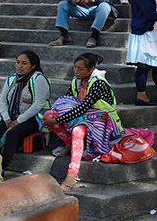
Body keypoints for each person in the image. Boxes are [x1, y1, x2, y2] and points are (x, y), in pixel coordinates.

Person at [42, 52, 124, 189]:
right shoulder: (76, 81)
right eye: (75, 67)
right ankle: (70, 144)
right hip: (82, 116)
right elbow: (67, 100)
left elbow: (82, 108)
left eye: (80, 69)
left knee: (77, 131)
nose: (76, 71)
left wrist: (56, 121)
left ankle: (72, 174)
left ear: (91, 69)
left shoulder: (98, 83)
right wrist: (52, 118)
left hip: (100, 119)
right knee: (49, 114)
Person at [0, 50, 52, 169]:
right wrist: (6, 118)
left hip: (33, 118)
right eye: (17, 62)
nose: (19, 66)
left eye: (24, 63)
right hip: (11, 116)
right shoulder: (11, 79)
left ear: (33, 65)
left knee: (12, 134)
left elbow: (38, 104)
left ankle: (1, 167)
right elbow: (2, 101)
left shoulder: (39, 79)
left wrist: (19, 120)